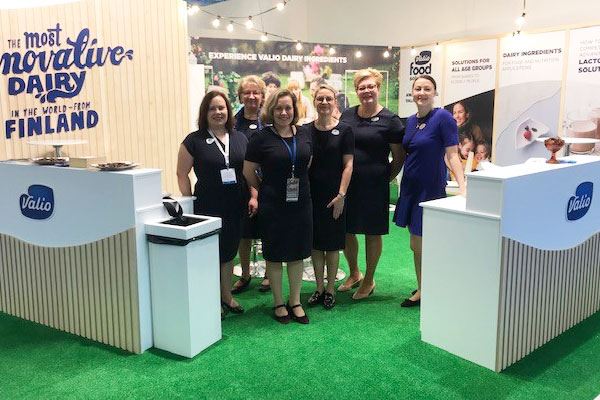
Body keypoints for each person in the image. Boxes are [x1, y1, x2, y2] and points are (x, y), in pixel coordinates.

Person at [394, 75, 466, 307]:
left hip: (430, 190)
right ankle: (425, 285)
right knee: (416, 242)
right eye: (418, 89)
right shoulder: (410, 121)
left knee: (423, 242)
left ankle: (427, 288)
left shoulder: (443, 118)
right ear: (412, 92)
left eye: (427, 89)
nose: (422, 93)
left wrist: (462, 186)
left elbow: (452, 155)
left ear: (434, 92)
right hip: (410, 188)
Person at [243, 89, 313, 324]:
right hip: (273, 204)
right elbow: (248, 171)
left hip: (301, 202)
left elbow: (307, 163)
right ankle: (279, 302)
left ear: (294, 110)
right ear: (271, 111)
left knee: (297, 253)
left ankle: (295, 301)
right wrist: (264, 189)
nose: (284, 112)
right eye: (279, 108)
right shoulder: (260, 138)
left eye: (288, 108)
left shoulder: (303, 134)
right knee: (274, 254)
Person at [177, 90, 248, 318]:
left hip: (235, 205)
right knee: (209, 254)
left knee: (228, 253)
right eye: (212, 108)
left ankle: (226, 296)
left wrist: (253, 195)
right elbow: (182, 173)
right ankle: (210, 299)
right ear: (204, 113)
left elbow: (248, 172)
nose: (218, 112)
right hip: (207, 207)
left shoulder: (240, 138)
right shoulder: (193, 140)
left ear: (228, 110)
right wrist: (189, 201)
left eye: (221, 107)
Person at [339, 68, 405, 300]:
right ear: (356, 90)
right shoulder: (347, 115)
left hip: (375, 185)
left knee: (372, 232)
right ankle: (354, 273)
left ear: (378, 88)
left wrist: (385, 177)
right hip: (349, 184)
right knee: (347, 230)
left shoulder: (391, 120)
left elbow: (399, 157)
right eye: (361, 87)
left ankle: (369, 279)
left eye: (371, 86)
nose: (366, 91)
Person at [307, 84, 354, 310]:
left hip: (336, 196)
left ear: (335, 101)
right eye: (320, 99)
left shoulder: (345, 130)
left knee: (333, 245)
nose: (324, 103)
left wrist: (341, 195)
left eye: (328, 99)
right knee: (316, 244)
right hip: (311, 195)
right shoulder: (305, 130)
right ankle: (318, 287)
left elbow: (348, 165)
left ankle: (331, 289)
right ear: (314, 101)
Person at [231, 75, 269, 294]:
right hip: (240, 186)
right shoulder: (232, 123)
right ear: (240, 96)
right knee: (243, 233)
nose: (252, 96)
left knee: (268, 231)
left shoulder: (270, 120)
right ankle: (245, 274)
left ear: (262, 96)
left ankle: (269, 274)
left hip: (268, 184)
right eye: (247, 92)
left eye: (256, 92)